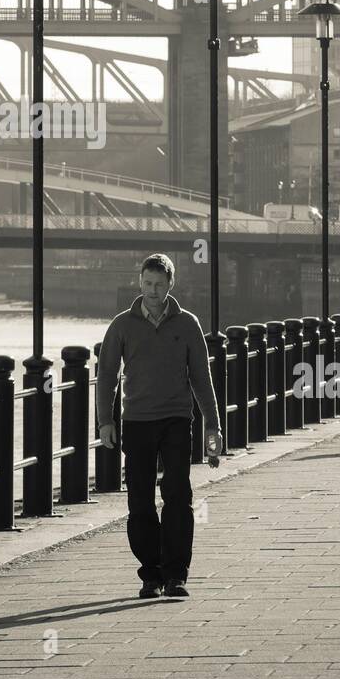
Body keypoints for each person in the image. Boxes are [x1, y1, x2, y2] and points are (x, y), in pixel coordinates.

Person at [96, 253, 222, 600]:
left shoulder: (187, 324)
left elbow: (201, 378)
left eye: (159, 285)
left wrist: (213, 428)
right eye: (147, 284)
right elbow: (106, 374)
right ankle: (150, 575)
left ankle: (176, 575)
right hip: (136, 421)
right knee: (140, 500)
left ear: (170, 285)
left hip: (177, 420)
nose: (152, 291)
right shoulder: (122, 325)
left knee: (178, 495)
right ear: (140, 282)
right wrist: (105, 421)